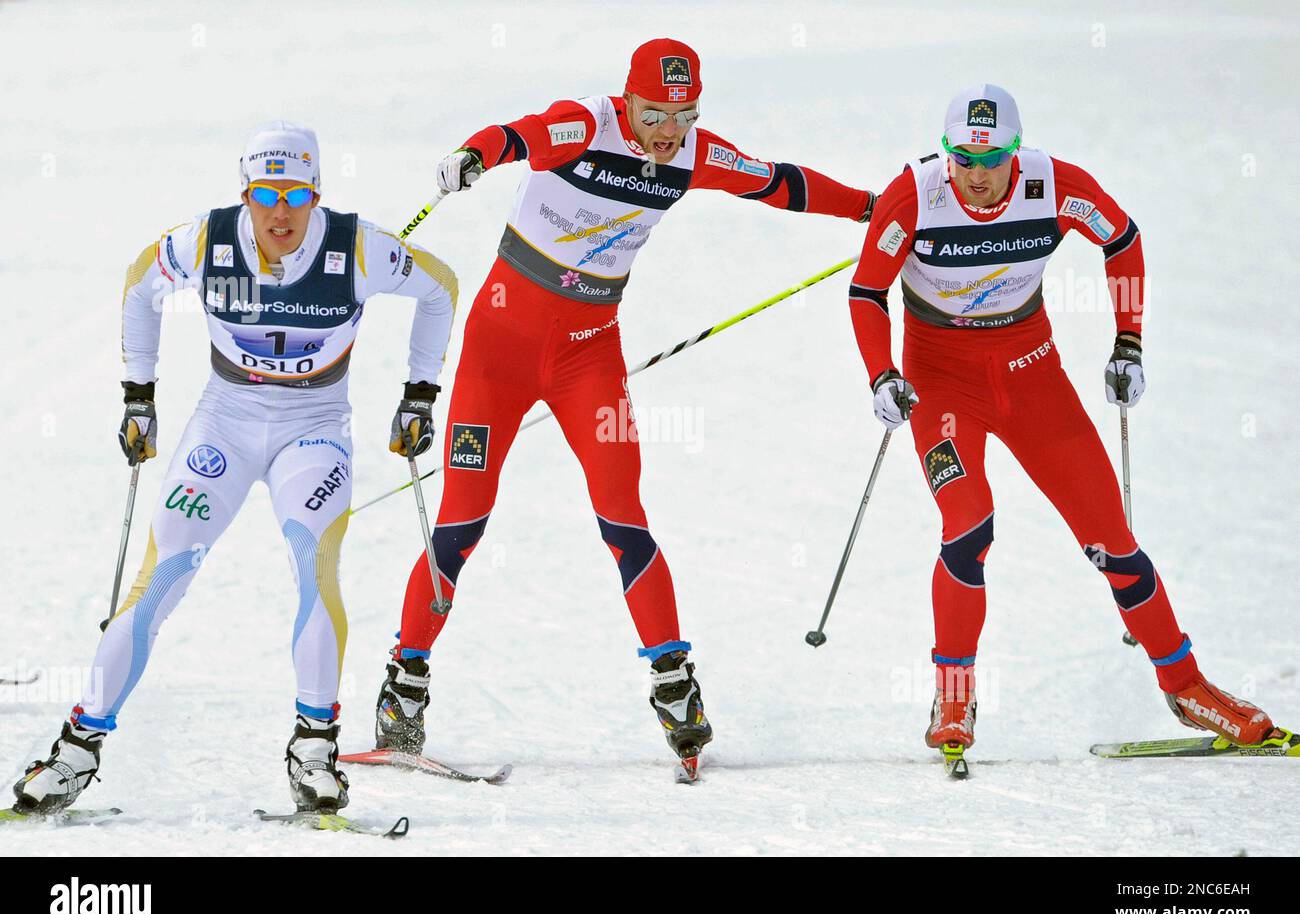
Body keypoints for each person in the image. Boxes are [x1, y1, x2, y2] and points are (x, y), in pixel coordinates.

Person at [373, 38, 875, 776]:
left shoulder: (694, 153)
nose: (669, 129)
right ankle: (405, 681)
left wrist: (875, 210)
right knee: (461, 520)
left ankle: (674, 680)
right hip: (498, 353)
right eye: (655, 112)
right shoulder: (585, 126)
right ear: (627, 99)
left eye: (685, 113)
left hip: (588, 356)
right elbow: (519, 134)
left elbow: (780, 183)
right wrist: (473, 157)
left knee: (623, 512)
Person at [12, 122, 458, 814]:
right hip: (224, 422)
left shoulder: (358, 247)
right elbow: (139, 283)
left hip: (313, 430)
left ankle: (314, 747)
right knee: (161, 575)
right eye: (266, 194)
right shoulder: (207, 241)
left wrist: (420, 393)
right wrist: (139, 393)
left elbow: (439, 288)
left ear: (316, 192)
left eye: (297, 195)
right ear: (246, 192)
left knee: (315, 570)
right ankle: (76, 749)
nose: (281, 213)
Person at [847, 84, 1281, 755]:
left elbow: (1124, 239)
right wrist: (883, 374)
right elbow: (866, 291)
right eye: (962, 157)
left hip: (1032, 375)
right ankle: (953, 698)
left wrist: (1129, 341)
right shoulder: (914, 196)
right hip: (942, 386)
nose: (976, 173)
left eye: (991, 158)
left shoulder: (1054, 185)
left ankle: (1188, 687)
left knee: (1110, 535)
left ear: (1016, 153)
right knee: (968, 522)